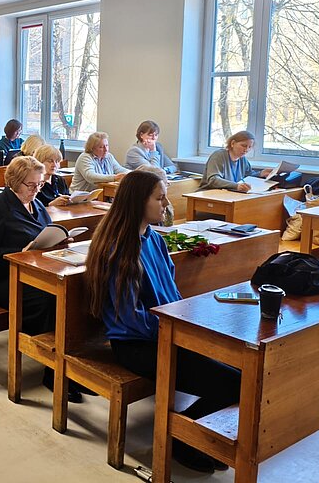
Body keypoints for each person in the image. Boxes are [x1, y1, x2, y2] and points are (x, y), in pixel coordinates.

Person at [85, 170, 240, 473]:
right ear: (137, 203)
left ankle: (197, 434)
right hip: (136, 344)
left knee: (239, 369)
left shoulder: (153, 239)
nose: (166, 204)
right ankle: (181, 440)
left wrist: (186, 322)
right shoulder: (120, 248)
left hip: (167, 332)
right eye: (159, 198)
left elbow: (171, 292)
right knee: (233, 383)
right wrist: (175, 331)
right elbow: (128, 317)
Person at [0, 156, 78, 398]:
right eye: (30, 185)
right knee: (50, 300)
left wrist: (60, 242)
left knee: (71, 296)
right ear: (14, 181)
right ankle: (52, 370)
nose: (36, 190)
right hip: (5, 280)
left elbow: (47, 233)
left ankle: (68, 366)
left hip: (36, 274)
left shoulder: (38, 205)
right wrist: (18, 253)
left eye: (40, 185)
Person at [200, 130, 271, 192]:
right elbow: (214, 180)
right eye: (243, 145)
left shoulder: (242, 159)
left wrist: (261, 174)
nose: (246, 150)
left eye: (249, 147)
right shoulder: (219, 155)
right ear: (232, 143)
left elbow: (248, 176)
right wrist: (236, 186)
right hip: (209, 194)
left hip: (230, 194)